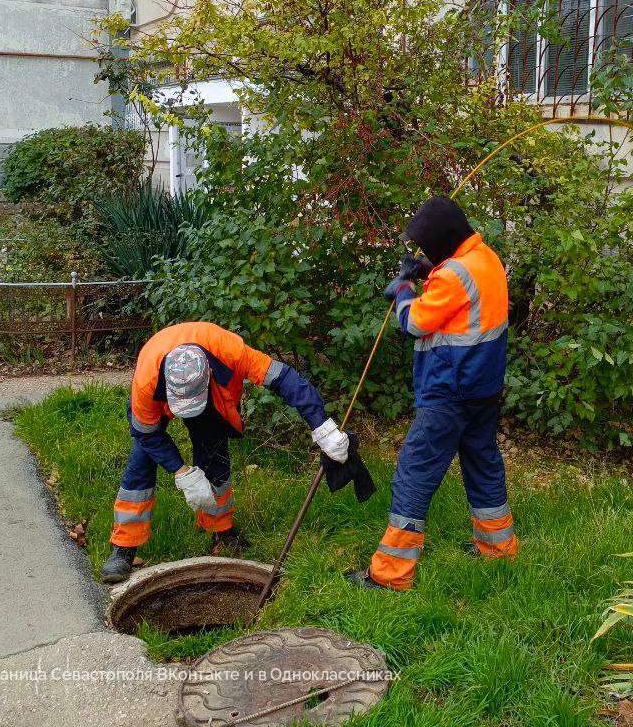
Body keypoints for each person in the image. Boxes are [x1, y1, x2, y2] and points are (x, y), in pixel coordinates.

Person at [348, 196, 518, 591]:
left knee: (415, 472)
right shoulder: (486, 259)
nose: (423, 252)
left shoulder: (454, 274)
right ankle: (498, 549)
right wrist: (428, 271)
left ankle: (391, 574)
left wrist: (405, 289)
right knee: (483, 464)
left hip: (449, 391)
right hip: (483, 389)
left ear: (443, 240)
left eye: (426, 248)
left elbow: (415, 322)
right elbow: (461, 302)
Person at [100, 321, 349, 583]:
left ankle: (220, 528)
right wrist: (182, 473)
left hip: (210, 395)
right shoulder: (146, 381)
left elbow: (285, 379)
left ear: (208, 371)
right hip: (159, 394)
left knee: (213, 455)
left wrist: (322, 426)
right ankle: (123, 547)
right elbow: (146, 433)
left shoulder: (231, 351)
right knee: (141, 461)